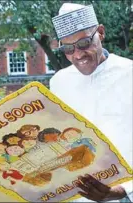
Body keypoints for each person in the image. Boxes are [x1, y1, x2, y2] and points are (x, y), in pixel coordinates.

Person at [51, 3, 132, 202]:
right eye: (68, 48)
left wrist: (123, 190)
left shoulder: (130, 74)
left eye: (84, 43)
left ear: (101, 33)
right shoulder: (59, 82)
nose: (78, 55)